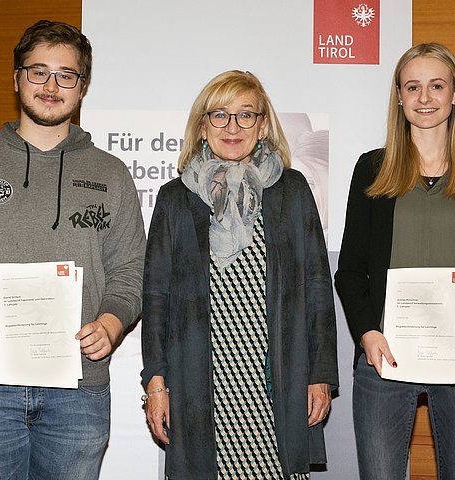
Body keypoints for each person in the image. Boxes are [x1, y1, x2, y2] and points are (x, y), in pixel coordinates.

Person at [141, 70, 338, 480]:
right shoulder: (175, 199)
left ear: (263, 125)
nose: (233, 126)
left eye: (246, 115)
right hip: (202, 383)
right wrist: (156, 385)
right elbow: (156, 298)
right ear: (202, 126)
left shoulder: (293, 191)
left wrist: (319, 374)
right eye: (220, 115)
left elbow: (319, 287)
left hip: (276, 383)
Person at [0, 20, 146, 479]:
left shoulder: (111, 175)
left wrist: (111, 324)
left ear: (82, 86)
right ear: (16, 79)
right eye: (38, 71)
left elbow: (131, 269)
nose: (51, 86)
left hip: (79, 391)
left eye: (66, 75)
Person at [335, 43, 455, 479]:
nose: (425, 98)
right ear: (399, 97)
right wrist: (367, 332)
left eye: (437, 86)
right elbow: (349, 271)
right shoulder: (372, 169)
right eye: (413, 87)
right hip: (385, 358)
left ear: (454, 94)